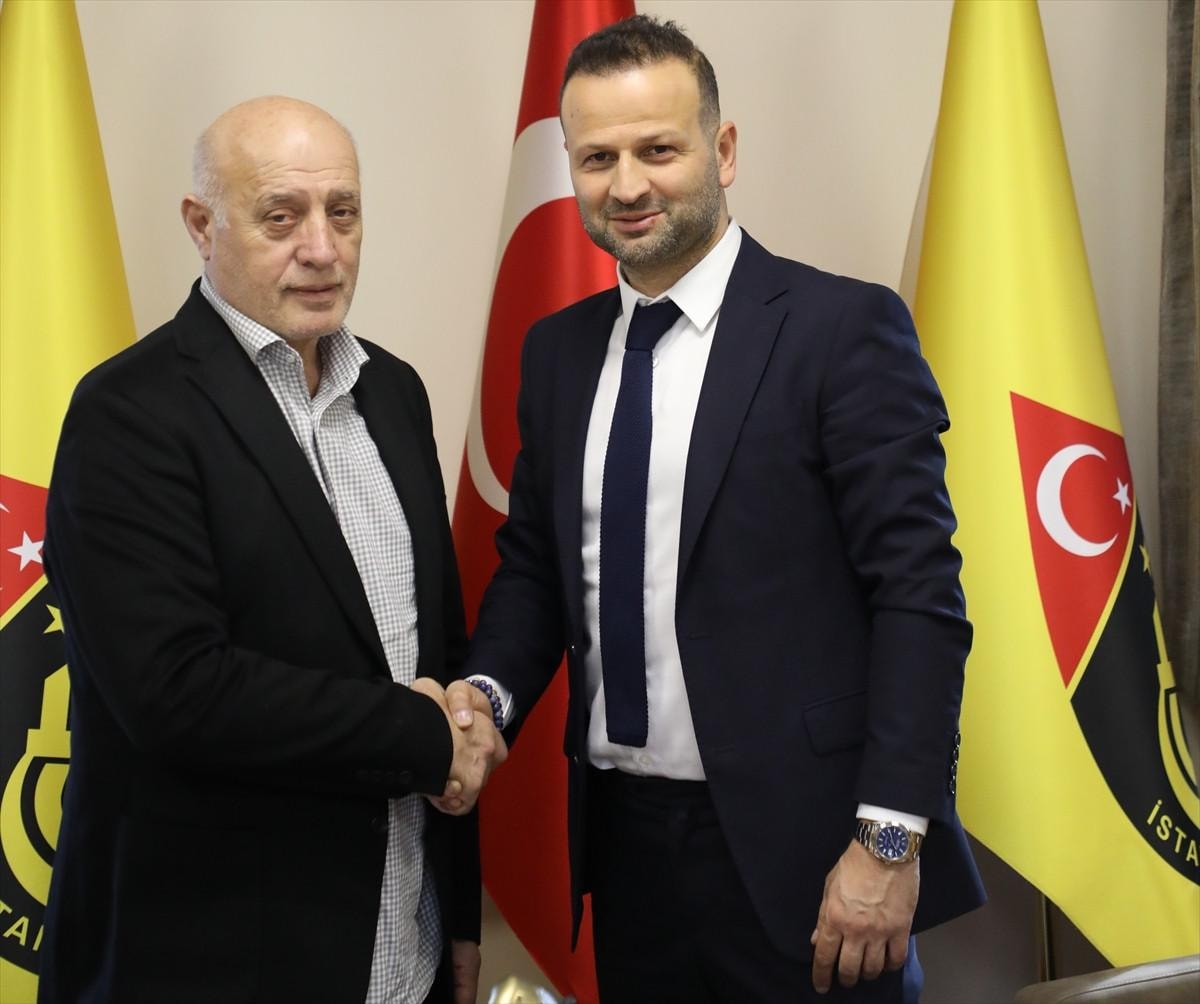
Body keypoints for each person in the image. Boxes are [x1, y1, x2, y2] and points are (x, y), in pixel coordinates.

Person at [456, 16, 985, 1002]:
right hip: (625, 854)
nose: (628, 185)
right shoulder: (557, 352)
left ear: (723, 149)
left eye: (659, 150)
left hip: (815, 857)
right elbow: (535, 566)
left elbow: (919, 597)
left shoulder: (840, 330)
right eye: (598, 158)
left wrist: (888, 840)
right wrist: (486, 697)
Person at [40, 96, 504, 1004]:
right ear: (201, 225)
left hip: (402, 955)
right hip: (219, 968)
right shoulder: (127, 414)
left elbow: (436, 653)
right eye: (281, 217)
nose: (323, 249)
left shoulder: (394, 393)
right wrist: (419, 736)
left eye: (344, 212)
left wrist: (457, 912)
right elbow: (176, 692)